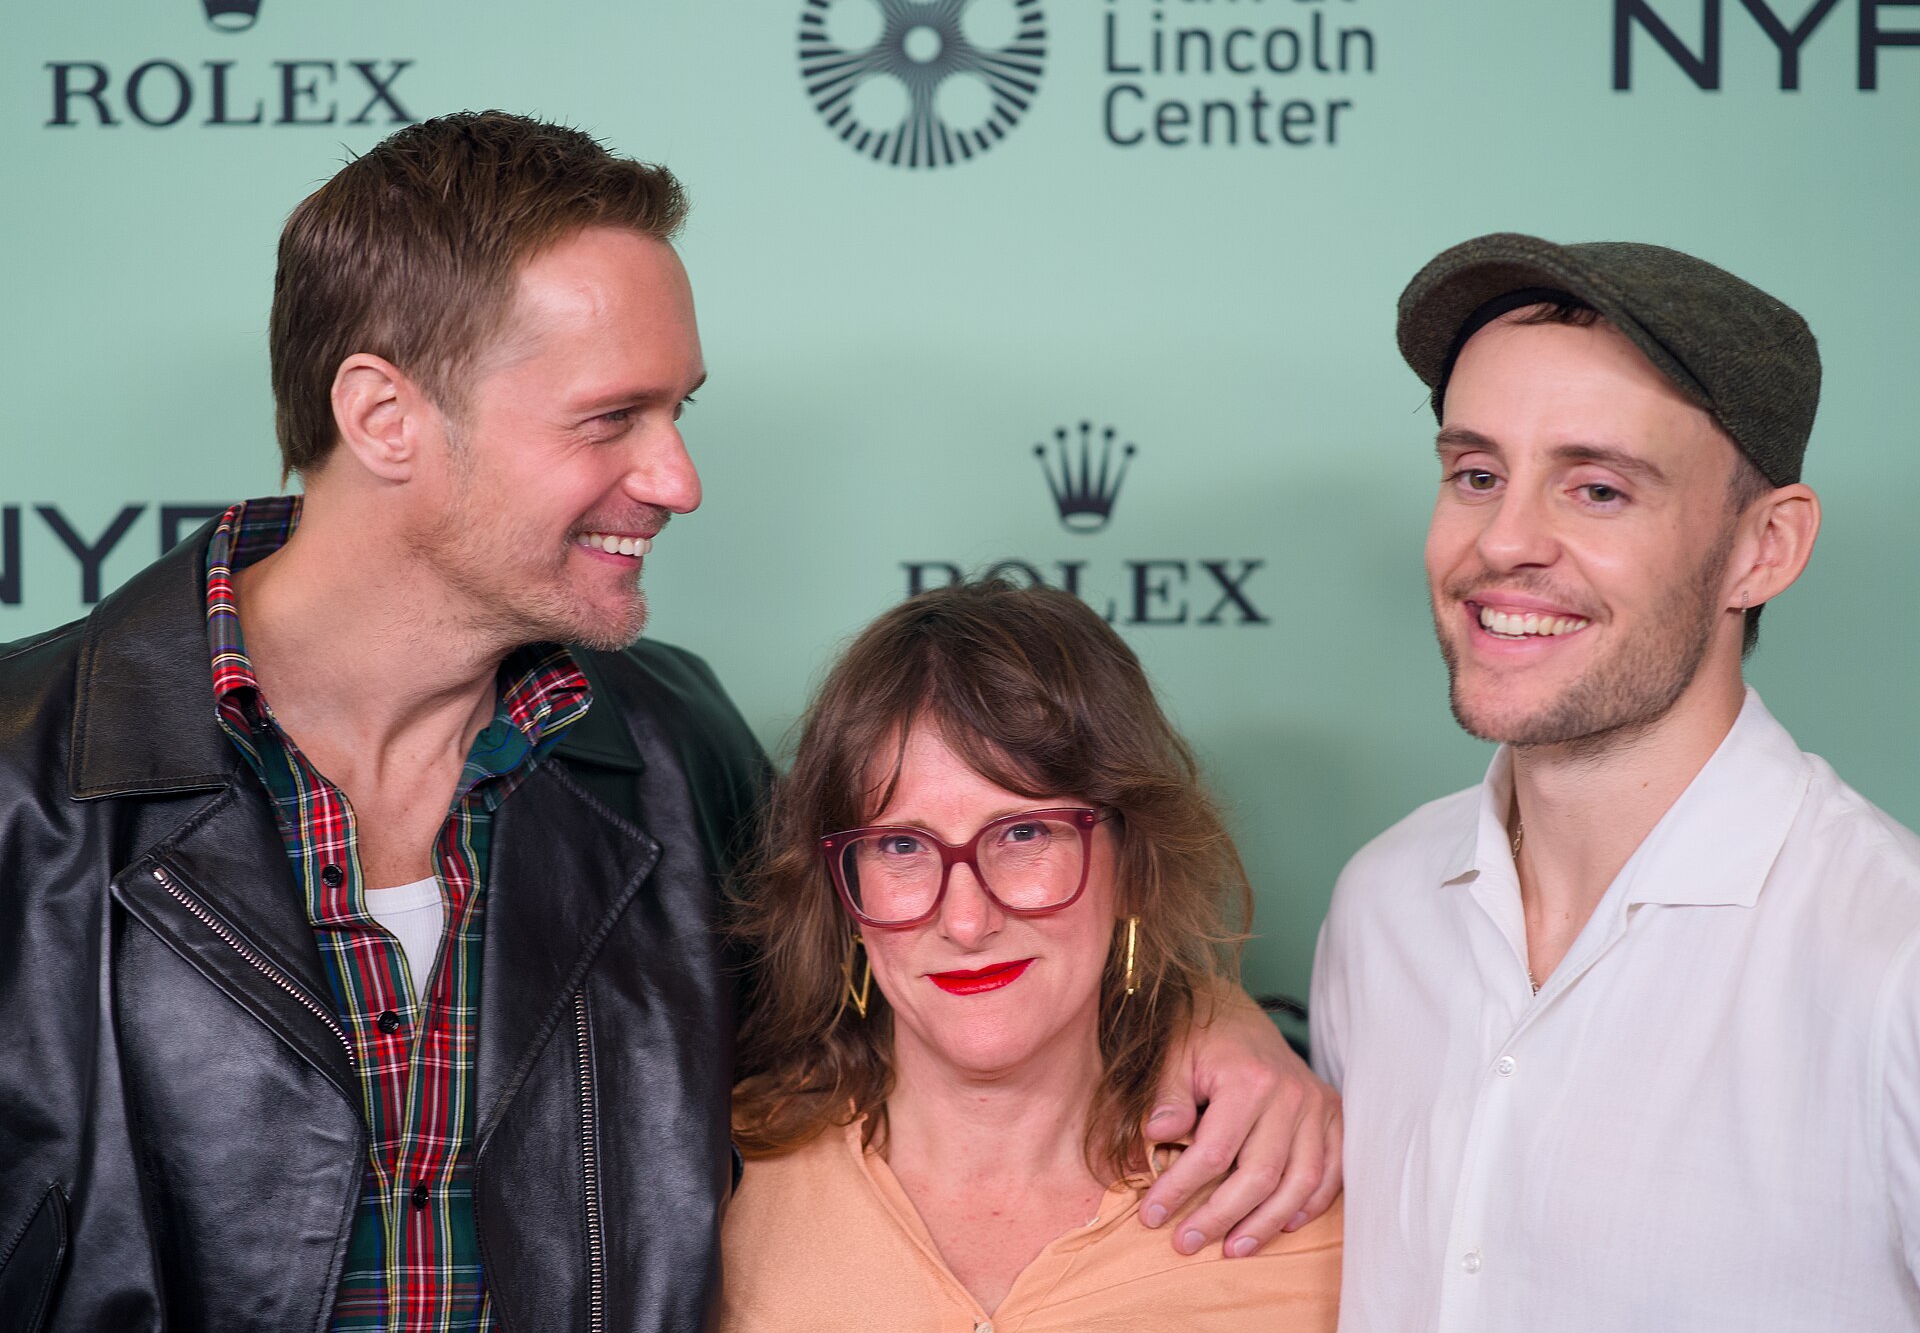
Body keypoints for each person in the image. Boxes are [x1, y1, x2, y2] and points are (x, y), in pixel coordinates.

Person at [0, 112, 1336, 1332]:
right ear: (385, 416)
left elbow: (934, 942)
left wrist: (1200, 1016)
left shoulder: (670, 751)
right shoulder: (24, 783)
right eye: (611, 419)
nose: (679, 478)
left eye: (677, 411)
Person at [1311, 232, 1920, 1331]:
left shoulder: (1893, 960)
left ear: (1765, 549)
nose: (1505, 542)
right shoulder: (1381, 903)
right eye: (1477, 475)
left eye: (1597, 489)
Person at [723, 579, 1342, 1331]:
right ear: (843, 890)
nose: (966, 920)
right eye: (901, 845)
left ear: (1134, 863)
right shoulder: (707, 1181)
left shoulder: (1311, 1207)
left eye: (1024, 833)